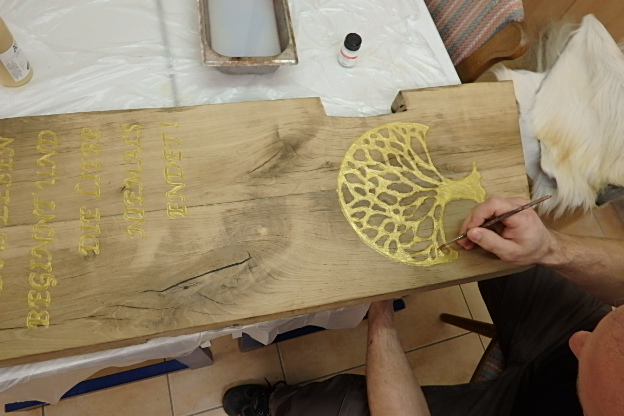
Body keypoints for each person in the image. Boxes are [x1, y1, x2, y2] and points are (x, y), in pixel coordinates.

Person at [222, 195, 624, 416]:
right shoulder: (581, 339)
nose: (579, 339)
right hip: (560, 354)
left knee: (333, 409)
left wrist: (381, 314)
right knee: (491, 230)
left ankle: (277, 406)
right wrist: (550, 248)